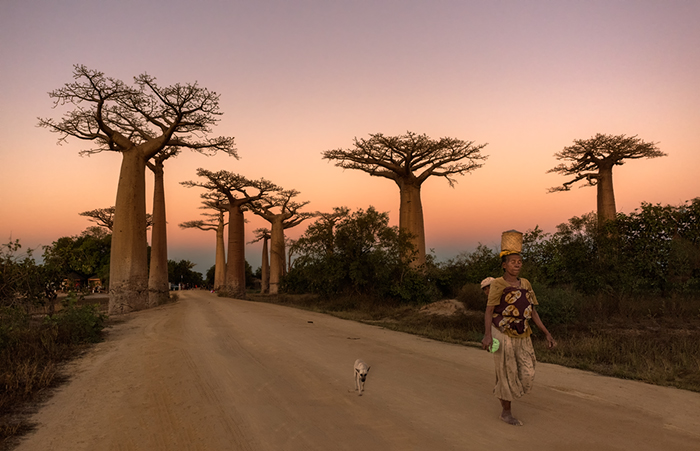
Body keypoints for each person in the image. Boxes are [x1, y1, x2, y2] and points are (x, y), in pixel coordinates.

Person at [481, 251, 556, 426]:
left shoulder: (526, 284)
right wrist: (487, 335)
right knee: (508, 372)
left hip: (523, 332)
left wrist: (546, 333)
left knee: (528, 373)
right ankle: (506, 412)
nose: (517, 264)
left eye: (520, 261)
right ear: (504, 265)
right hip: (502, 331)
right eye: (513, 261)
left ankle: (501, 386)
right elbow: (489, 311)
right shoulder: (497, 284)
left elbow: (532, 311)